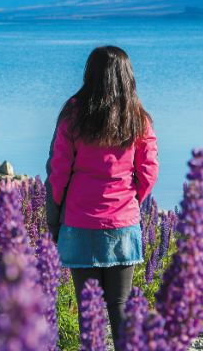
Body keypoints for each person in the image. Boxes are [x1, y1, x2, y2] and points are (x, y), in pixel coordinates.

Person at [46, 45, 159, 344]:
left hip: (79, 223)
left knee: (89, 312)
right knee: (119, 306)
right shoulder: (137, 117)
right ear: (127, 77)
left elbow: (58, 172)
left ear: (90, 74)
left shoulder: (73, 113)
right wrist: (131, 201)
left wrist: (55, 214)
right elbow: (148, 172)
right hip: (122, 224)